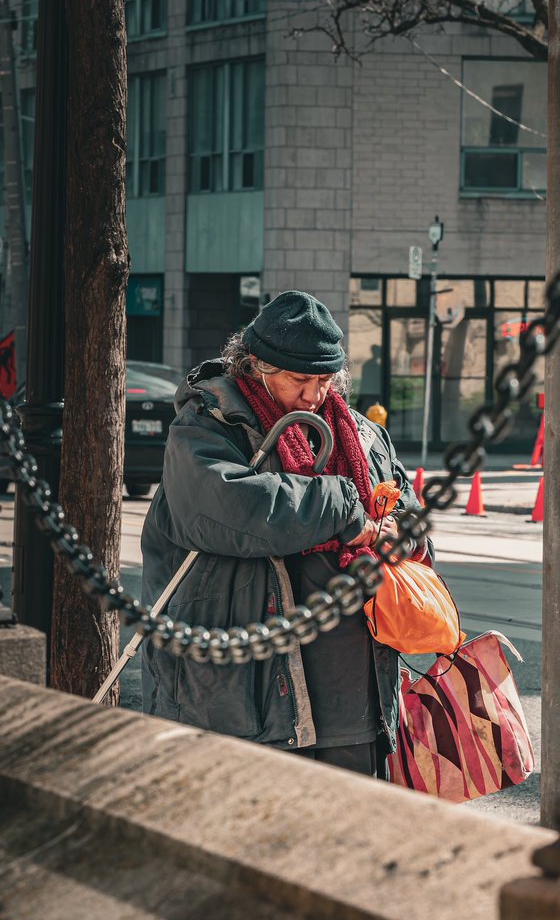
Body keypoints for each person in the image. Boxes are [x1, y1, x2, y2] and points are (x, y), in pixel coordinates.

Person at [140, 290, 427, 777]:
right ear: (256, 366)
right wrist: (344, 508)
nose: (315, 395)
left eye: (326, 379)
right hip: (245, 691)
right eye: (301, 380)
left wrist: (404, 534)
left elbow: (413, 522)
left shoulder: (362, 434)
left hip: (353, 697)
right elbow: (232, 507)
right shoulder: (209, 426)